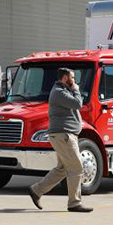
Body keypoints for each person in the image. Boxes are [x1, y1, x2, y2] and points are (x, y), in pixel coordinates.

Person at [27, 68, 93, 213]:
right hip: (64, 135)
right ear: (65, 78)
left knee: (63, 169)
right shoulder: (59, 92)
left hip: (64, 135)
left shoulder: (62, 90)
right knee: (76, 168)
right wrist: (76, 89)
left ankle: (36, 190)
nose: (75, 81)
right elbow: (77, 104)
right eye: (72, 78)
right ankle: (74, 203)